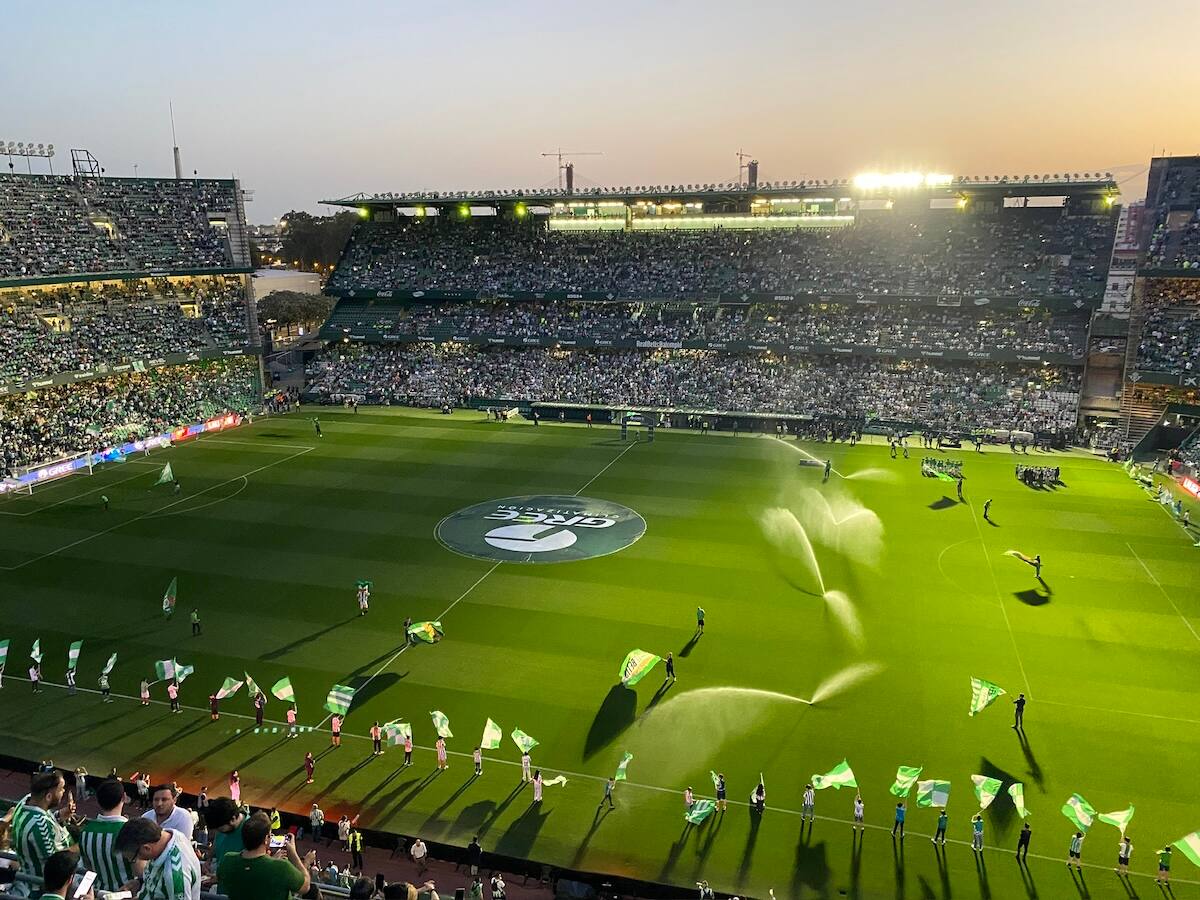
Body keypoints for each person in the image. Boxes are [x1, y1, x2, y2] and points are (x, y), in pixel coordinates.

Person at [216, 812, 312, 900]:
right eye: (270, 835)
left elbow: (251, 874)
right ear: (266, 839)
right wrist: (295, 854)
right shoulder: (282, 867)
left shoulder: (228, 859)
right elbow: (305, 886)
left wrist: (270, 860)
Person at [11, 771, 75, 886]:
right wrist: (79, 847)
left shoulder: (26, 801)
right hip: (43, 886)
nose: (64, 792)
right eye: (61, 789)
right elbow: (55, 863)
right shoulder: (39, 824)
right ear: (49, 796)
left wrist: (59, 815)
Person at [115, 816, 202, 900]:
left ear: (147, 848)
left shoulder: (173, 874)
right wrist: (140, 882)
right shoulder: (167, 837)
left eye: (134, 858)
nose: (136, 861)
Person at [80, 779, 135, 893]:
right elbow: (141, 870)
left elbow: (88, 866)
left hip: (99, 893)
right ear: (124, 797)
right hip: (125, 894)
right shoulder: (130, 831)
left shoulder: (85, 831)